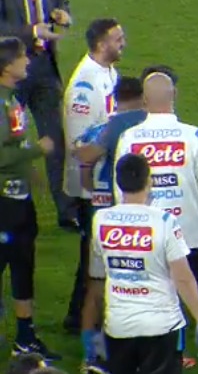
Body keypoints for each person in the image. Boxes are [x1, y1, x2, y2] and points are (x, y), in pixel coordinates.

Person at [112, 71, 198, 373]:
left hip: (147, 240)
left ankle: (156, 362)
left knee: (154, 303)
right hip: (191, 237)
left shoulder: (130, 138)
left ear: (144, 101)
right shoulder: (193, 137)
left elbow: (120, 191)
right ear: (175, 96)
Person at [95, 153, 198, 374]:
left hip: (119, 324)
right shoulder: (164, 222)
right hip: (161, 325)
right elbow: (183, 278)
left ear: (118, 181)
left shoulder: (100, 220)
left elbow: (103, 270)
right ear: (149, 181)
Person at [0, 0, 75, 231]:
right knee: (10, 140)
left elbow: (60, 0)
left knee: (55, 136)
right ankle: (12, 205)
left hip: (43, 65)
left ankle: (66, 210)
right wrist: (32, 32)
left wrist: (62, 15)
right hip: (10, 70)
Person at [73, 74, 146, 371]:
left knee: (96, 289)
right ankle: (137, 354)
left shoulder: (98, 130)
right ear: (142, 97)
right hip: (132, 218)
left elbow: (84, 163)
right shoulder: (142, 124)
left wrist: (93, 191)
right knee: (137, 287)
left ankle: (91, 355)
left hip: (101, 217)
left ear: (115, 98)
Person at [61, 18, 123, 332]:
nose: (123, 43)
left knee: (99, 251)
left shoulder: (109, 72)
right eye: (117, 39)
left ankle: (91, 312)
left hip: (104, 178)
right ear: (101, 44)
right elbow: (78, 143)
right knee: (92, 253)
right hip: (91, 183)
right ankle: (77, 317)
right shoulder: (84, 86)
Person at [0, 37, 56, 358]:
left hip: (19, 200)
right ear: (7, 66)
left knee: (23, 265)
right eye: (23, 57)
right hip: (4, 204)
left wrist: (30, 171)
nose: (28, 61)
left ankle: (25, 337)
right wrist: (38, 149)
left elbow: (14, 146)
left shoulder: (11, 99)